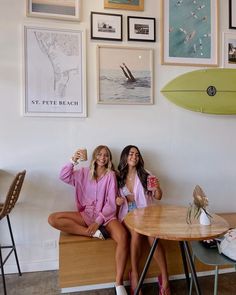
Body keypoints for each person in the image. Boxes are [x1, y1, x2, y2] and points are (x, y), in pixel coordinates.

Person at [48, 145, 129, 295]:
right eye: (99, 154)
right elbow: (63, 176)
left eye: (106, 155)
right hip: (86, 215)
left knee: (123, 237)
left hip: (106, 217)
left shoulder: (110, 175)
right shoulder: (83, 173)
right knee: (53, 219)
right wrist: (73, 160)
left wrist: (98, 222)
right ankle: (90, 233)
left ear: (109, 159)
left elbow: (111, 204)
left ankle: (119, 283)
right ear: (94, 156)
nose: (102, 158)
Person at [116, 145, 171, 295]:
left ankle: (165, 278)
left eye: (137, 155)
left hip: (147, 214)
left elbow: (158, 196)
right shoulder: (118, 176)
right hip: (127, 215)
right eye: (131, 154)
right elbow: (113, 199)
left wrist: (158, 187)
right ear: (125, 157)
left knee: (153, 237)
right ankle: (135, 274)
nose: (134, 157)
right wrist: (121, 199)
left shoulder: (146, 174)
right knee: (135, 233)